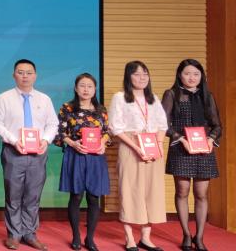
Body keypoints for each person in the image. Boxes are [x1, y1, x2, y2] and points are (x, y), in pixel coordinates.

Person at [0, 59, 58, 251]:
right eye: (20, 72)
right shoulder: (4, 98)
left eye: (29, 73)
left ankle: (29, 233)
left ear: (35, 76)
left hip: (38, 154)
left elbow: (53, 123)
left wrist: (45, 140)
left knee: (33, 195)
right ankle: (14, 235)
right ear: (14, 75)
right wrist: (14, 140)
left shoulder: (44, 99)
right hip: (13, 152)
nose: (25, 76)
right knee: (13, 195)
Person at [161, 59, 221, 251]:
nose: (192, 77)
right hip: (181, 148)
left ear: (201, 76)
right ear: (180, 75)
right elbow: (164, 124)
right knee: (182, 191)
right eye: (187, 73)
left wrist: (211, 139)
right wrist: (180, 139)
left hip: (204, 150)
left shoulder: (207, 96)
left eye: (196, 74)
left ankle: (200, 237)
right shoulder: (171, 94)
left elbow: (217, 125)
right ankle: (186, 235)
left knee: (201, 194)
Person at [108, 61, 168, 251]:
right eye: (136, 74)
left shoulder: (153, 98)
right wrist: (136, 147)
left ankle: (146, 238)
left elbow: (162, 124)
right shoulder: (119, 97)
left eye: (145, 74)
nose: (142, 78)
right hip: (130, 147)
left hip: (153, 146)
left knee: (152, 191)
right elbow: (115, 127)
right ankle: (130, 239)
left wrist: (159, 144)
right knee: (130, 190)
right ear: (128, 77)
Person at [53, 73, 109, 251]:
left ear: (95, 89)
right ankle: (76, 236)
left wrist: (102, 143)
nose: (86, 89)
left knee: (94, 197)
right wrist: (73, 143)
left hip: (96, 158)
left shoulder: (101, 109)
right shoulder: (67, 108)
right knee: (76, 196)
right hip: (75, 154)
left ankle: (90, 238)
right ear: (76, 88)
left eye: (90, 86)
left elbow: (107, 132)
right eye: (82, 86)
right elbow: (59, 132)